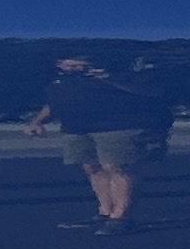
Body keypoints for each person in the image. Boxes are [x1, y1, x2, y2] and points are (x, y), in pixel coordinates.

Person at [26, 52, 170, 229]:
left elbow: (153, 92)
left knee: (117, 167)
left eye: (82, 63)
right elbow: (54, 103)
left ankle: (121, 216)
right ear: (60, 64)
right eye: (71, 64)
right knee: (92, 167)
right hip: (78, 129)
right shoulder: (59, 81)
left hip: (118, 126)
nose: (78, 67)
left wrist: (111, 79)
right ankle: (105, 211)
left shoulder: (120, 74)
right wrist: (37, 121)